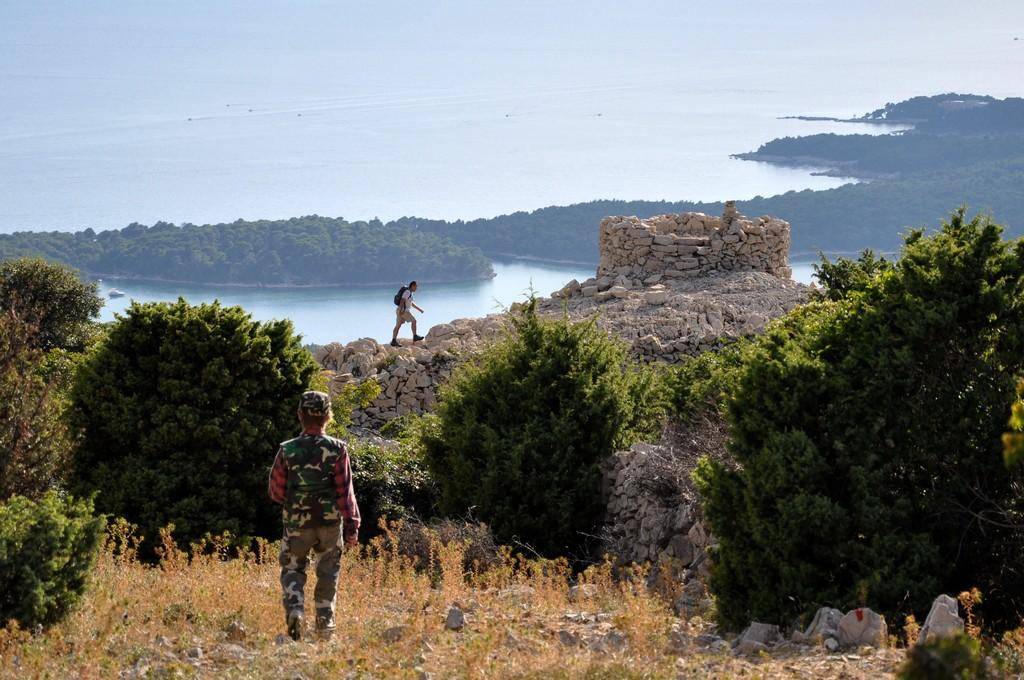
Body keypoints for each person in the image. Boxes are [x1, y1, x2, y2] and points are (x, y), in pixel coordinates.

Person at [268, 390, 360, 642]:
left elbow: (275, 491)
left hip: (297, 524)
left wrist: (294, 502)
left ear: (300, 415)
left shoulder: (287, 450)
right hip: (330, 524)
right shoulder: (338, 449)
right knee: (328, 573)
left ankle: (295, 611)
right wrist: (352, 526)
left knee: (293, 570)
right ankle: (325, 624)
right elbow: (345, 492)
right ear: (328, 416)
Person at [391, 280, 424, 347]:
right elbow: (402, 300)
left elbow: (411, 303)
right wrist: (401, 310)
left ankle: (393, 341)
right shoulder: (407, 292)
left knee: (398, 326)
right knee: (414, 321)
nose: (417, 288)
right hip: (404, 311)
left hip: (400, 310)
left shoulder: (410, 293)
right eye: (416, 287)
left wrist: (419, 309)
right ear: (413, 286)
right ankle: (415, 336)